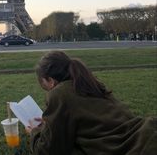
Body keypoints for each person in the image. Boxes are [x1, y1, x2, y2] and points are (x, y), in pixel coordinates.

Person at [26, 51, 157, 155]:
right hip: (145, 135)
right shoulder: (88, 83)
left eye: (45, 86)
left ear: (51, 80)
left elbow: (47, 150)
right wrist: (49, 123)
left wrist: (35, 131)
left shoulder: (59, 93)